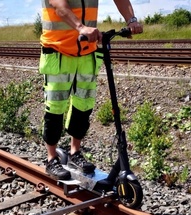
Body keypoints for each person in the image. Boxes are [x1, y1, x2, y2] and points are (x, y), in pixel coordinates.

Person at [39, 0, 143, 180]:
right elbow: (60, 7)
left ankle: (75, 153)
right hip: (58, 50)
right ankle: (51, 158)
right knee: (55, 106)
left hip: (87, 51)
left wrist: (131, 20)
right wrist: (80, 27)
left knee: (84, 104)